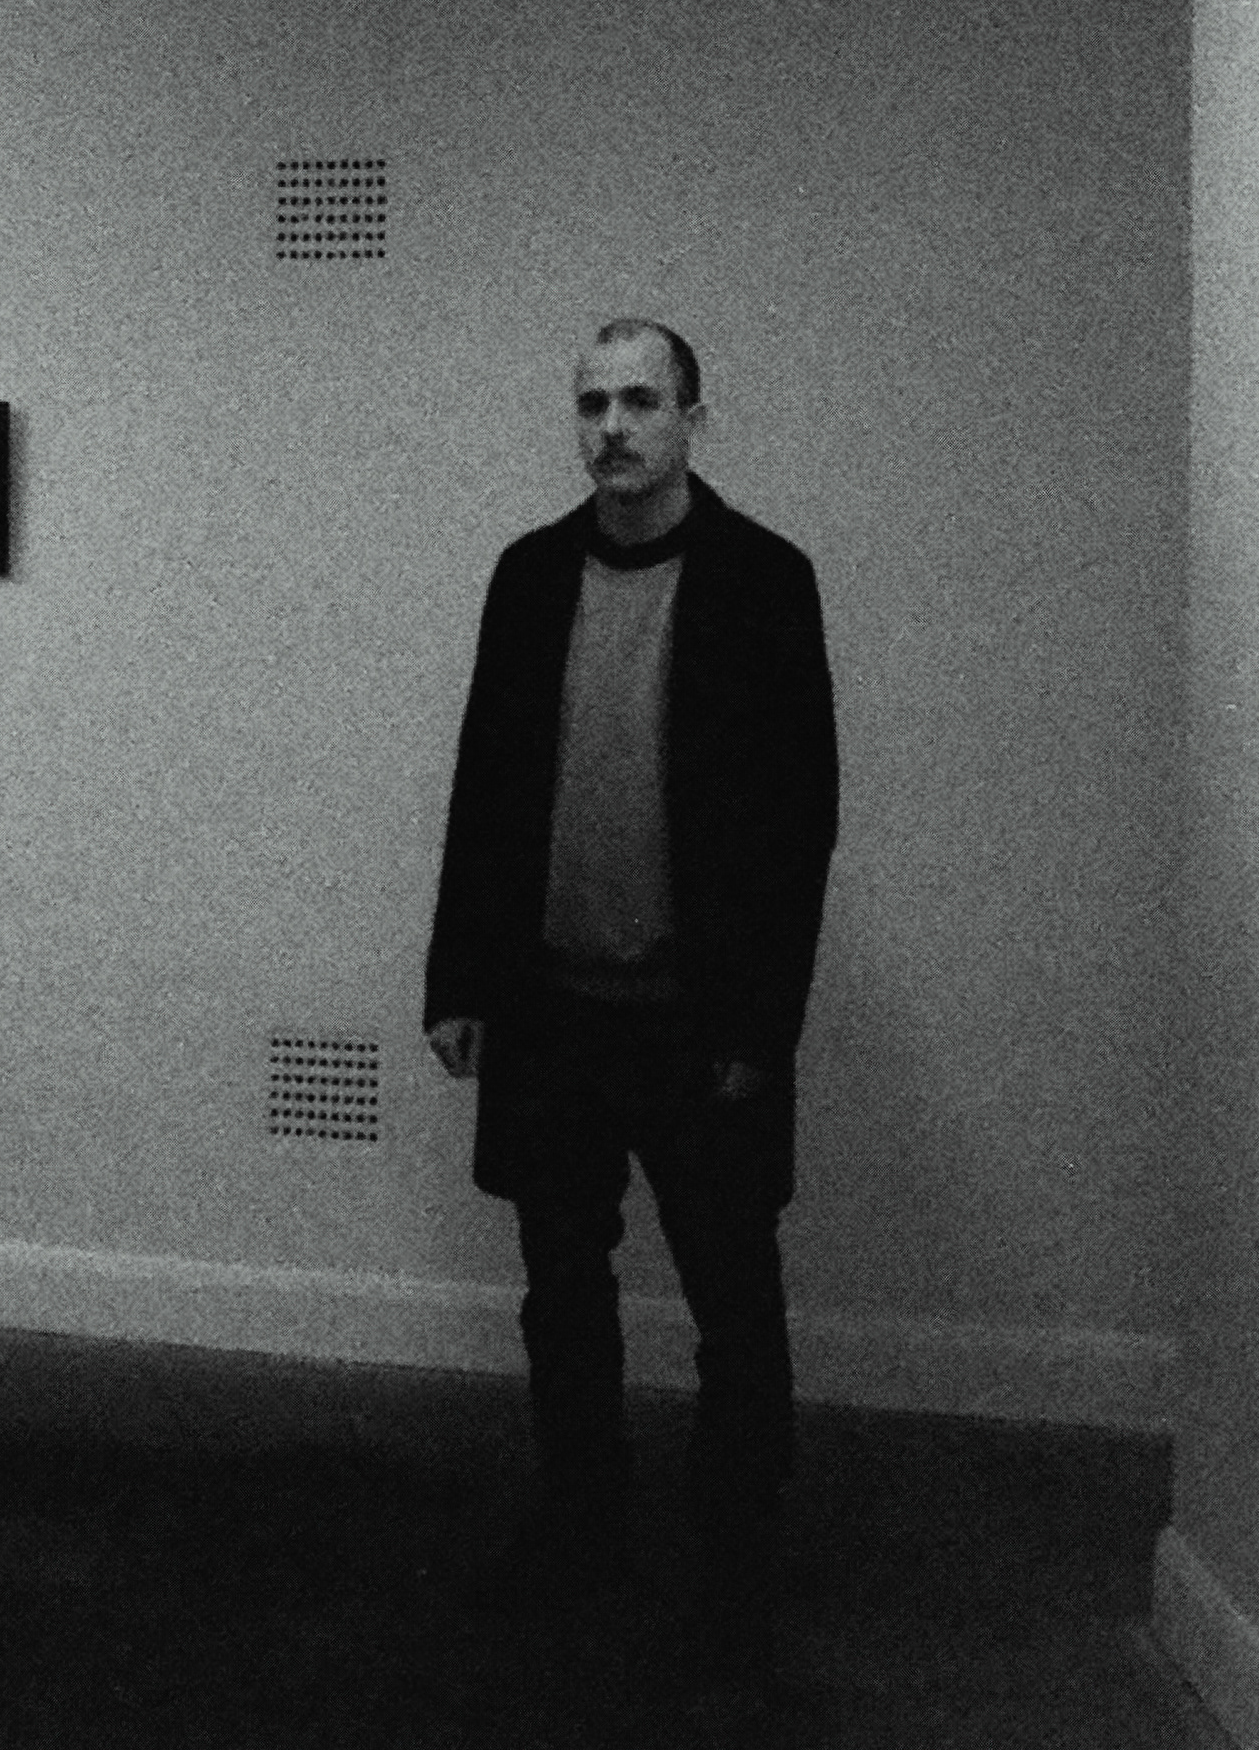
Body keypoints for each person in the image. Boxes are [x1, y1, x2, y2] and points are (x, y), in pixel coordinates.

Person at [423, 318, 839, 1634]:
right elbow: (487, 784)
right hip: (551, 1008)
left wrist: (761, 1027)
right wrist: (459, 977)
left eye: (642, 401)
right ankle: (580, 1521)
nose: (613, 426)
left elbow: (800, 820)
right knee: (562, 1286)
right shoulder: (530, 575)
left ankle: (737, 1544)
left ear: (692, 418)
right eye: (593, 402)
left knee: (732, 1287)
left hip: (699, 1019)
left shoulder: (763, 580)